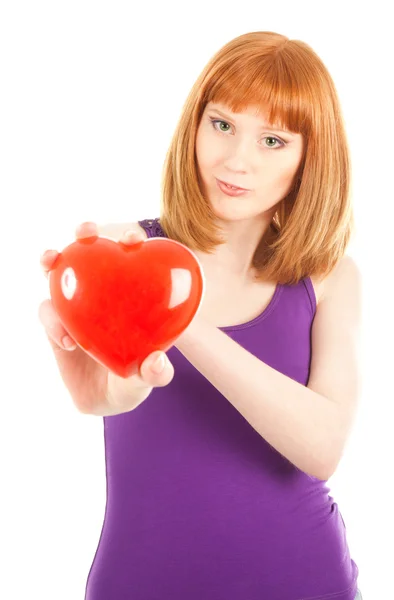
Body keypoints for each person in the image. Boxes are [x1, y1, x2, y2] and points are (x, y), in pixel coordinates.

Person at [39, 31, 364, 600]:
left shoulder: (330, 277)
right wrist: (105, 392)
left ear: (309, 157)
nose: (237, 160)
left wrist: (177, 315)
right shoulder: (129, 252)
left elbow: (323, 447)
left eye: (272, 140)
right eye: (222, 125)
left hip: (304, 582)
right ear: (195, 125)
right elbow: (109, 397)